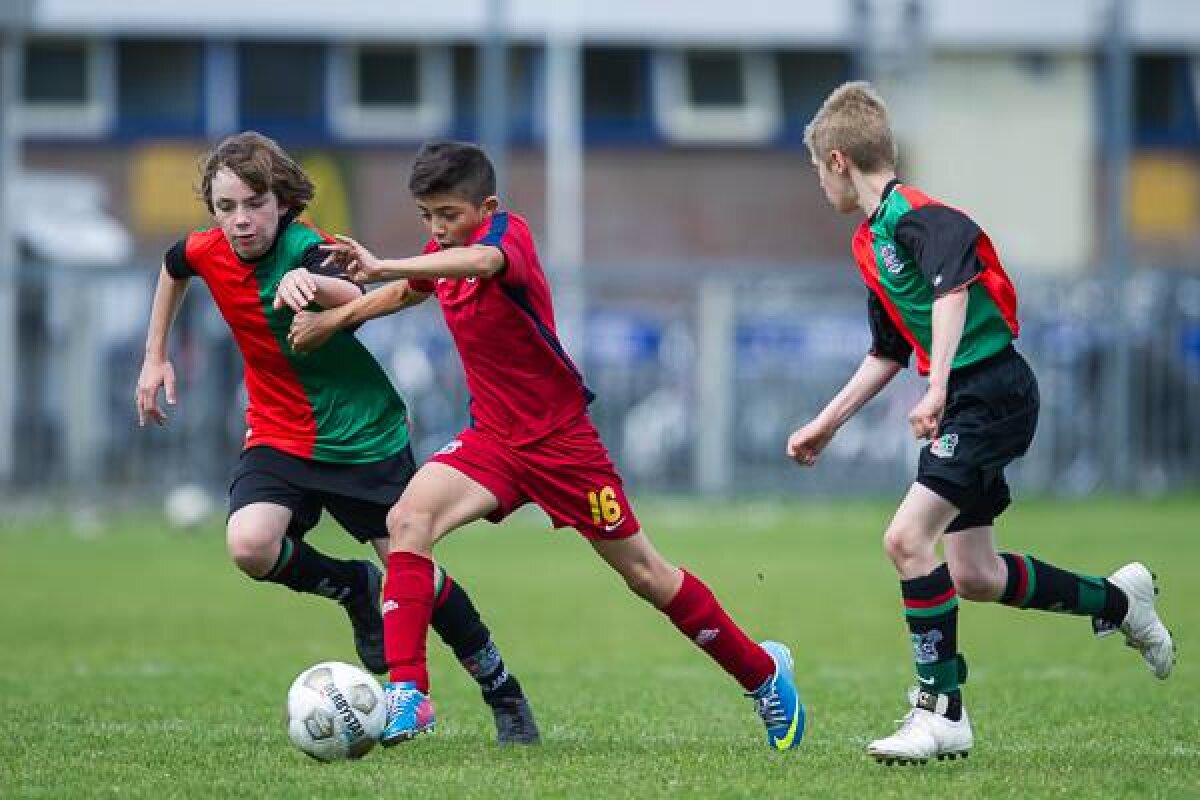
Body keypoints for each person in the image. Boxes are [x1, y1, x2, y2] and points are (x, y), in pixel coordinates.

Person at [287, 139, 804, 750]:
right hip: (493, 441)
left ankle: (765, 675)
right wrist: (337, 318)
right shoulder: (440, 253)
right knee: (408, 518)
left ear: (488, 205)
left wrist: (388, 264)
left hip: (563, 447)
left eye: (448, 215)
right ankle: (409, 693)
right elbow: (410, 291)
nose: (437, 229)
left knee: (646, 575)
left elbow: (479, 264)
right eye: (427, 216)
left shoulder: (510, 242)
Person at [788, 82, 1175, 764]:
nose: (819, 184)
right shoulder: (873, 239)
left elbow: (954, 288)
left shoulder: (917, 215)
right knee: (975, 574)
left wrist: (936, 388)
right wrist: (827, 423)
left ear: (840, 161)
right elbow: (887, 349)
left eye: (818, 170)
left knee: (907, 539)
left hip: (988, 392)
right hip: (968, 397)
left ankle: (942, 712)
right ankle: (1120, 603)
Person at [134, 131, 539, 745]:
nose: (241, 220)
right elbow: (172, 267)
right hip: (277, 434)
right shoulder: (209, 249)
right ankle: (354, 587)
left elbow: (349, 291)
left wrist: (310, 287)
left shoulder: (309, 246)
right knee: (249, 545)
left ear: (282, 202)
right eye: (226, 207)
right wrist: (155, 355)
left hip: (361, 437)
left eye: (254, 204)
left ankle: (499, 685)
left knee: (418, 572)